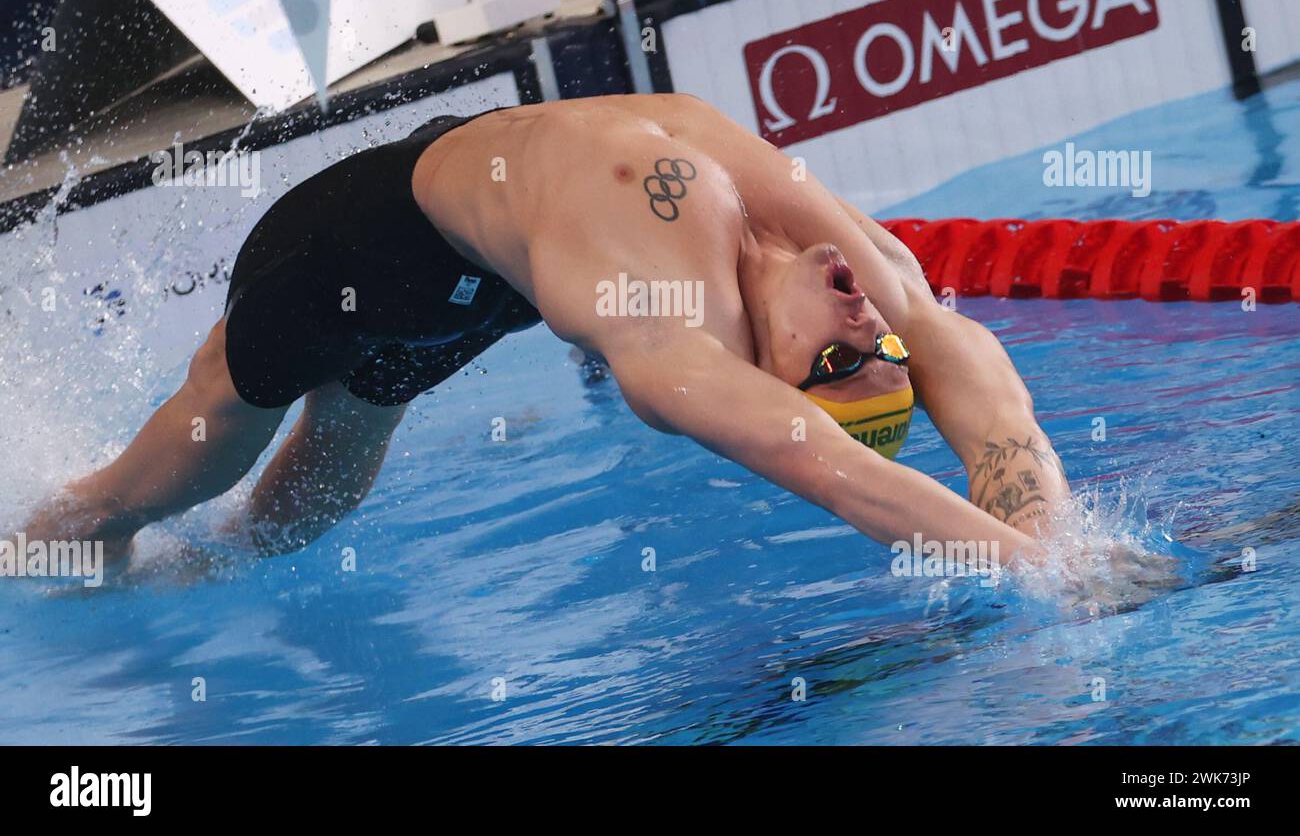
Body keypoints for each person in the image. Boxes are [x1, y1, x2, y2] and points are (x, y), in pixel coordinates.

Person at [23, 94, 1069, 570]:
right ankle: (30, 550)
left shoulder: (680, 341)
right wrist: (1055, 550)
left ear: (770, 372)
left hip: (480, 282)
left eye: (840, 361)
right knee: (162, 478)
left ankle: (209, 571)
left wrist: (1030, 564)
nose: (869, 325)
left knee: (331, 470)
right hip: (354, 245)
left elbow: (832, 466)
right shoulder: (862, 277)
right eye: (877, 352)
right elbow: (948, 374)